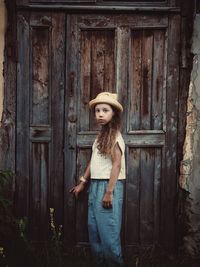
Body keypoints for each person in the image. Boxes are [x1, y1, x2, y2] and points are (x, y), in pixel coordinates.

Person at [70, 92, 126, 267]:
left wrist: (109, 192)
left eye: (105, 110)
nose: (100, 114)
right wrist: (82, 183)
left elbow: (116, 165)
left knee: (109, 234)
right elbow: (93, 161)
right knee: (94, 232)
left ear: (113, 114)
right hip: (95, 185)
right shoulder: (100, 136)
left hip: (108, 186)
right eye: (97, 110)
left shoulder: (115, 136)